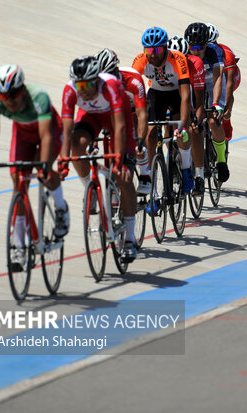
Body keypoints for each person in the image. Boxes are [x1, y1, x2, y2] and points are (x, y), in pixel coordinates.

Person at [0, 64, 69, 269]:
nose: (9, 100)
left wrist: (45, 167)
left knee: (43, 173)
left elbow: (47, 136)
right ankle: (19, 247)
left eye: (13, 94)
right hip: (23, 134)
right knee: (17, 185)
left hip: (50, 131)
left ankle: (60, 207)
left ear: (22, 89)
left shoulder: (38, 96)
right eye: (4, 96)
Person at [59, 56, 138, 262]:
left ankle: (130, 237)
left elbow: (120, 126)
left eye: (87, 84)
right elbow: (67, 129)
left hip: (116, 118)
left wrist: (120, 160)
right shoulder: (70, 90)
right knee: (77, 144)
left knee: (123, 177)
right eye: (79, 85)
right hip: (91, 117)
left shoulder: (111, 85)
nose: (82, 89)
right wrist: (63, 160)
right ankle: (89, 188)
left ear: (96, 79)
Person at [132, 26, 195, 194]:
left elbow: (185, 97)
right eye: (149, 49)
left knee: (180, 130)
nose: (153, 54)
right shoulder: (140, 60)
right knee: (150, 134)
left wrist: (182, 125)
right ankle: (151, 186)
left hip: (177, 94)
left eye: (157, 49)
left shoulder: (178, 59)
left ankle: (186, 168)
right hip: (156, 95)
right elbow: (132, 92)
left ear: (166, 47)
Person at [95, 48, 151, 195]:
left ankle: (145, 174)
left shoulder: (133, 80)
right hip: (115, 110)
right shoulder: (98, 84)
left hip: (134, 109)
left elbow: (142, 115)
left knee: (137, 140)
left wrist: (140, 141)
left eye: (109, 74)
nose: (106, 79)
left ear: (116, 69)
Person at [184, 22, 230, 183]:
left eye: (199, 48)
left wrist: (216, 104)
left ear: (206, 44)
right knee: (191, 121)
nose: (195, 51)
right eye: (192, 47)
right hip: (193, 83)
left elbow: (218, 78)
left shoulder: (215, 51)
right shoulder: (185, 53)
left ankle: (222, 160)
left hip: (211, 83)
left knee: (212, 120)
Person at [168, 35, 207, 195]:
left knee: (195, 130)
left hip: (190, 96)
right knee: (167, 127)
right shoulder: (163, 65)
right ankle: (174, 162)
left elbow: (198, 99)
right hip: (172, 97)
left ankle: (199, 175)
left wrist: (197, 119)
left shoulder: (195, 64)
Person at [206, 23, 241, 141]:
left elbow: (229, 84)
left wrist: (226, 107)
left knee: (226, 91)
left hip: (230, 74)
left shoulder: (227, 54)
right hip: (211, 75)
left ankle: (226, 120)